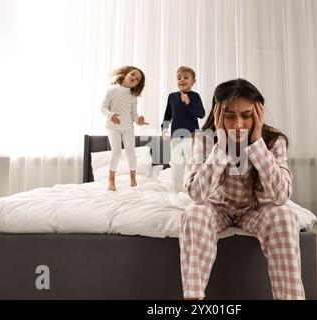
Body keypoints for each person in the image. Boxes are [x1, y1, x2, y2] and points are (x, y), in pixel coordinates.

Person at [179, 78, 305, 300]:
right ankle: (193, 299)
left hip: (256, 209)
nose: (238, 124)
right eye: (229, 115)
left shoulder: (274, 140)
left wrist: (257, 144)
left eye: (246, 116)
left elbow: (281, 196)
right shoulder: (205, 139)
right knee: (194, 213)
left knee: (286, 216)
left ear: (258, 114)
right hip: (218, 207)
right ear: (217, 114)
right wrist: (222, 145)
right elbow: (197, 195)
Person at [101, 66, 149, 190]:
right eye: (133, 74)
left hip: (128, 127)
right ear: (125, 74)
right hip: (113, 127)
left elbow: (134, 115)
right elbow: (103, 108)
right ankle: (111, 180)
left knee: (131, 152)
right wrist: (111, 115)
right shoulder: (112, 90)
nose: (134, 78)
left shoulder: (133, 96)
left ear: (138, 84)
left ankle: (133, 179)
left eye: (137, 79)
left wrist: (139, 121)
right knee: (116, 152)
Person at [161, 66, 205, 192]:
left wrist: (188, 102)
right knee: (176, 165)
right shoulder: (172, 97)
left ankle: (193, 189)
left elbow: (201, 114)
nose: (182, 80)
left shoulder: (195, 96)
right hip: (176, 137)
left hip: (191, 137)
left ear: (193, 81)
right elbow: (167, 115)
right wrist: (164, 128)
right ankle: (176, 190)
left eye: (186, 77)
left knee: (192, 164)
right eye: (179, 78)